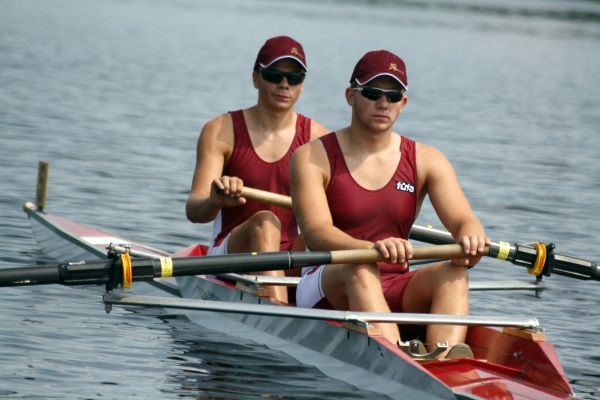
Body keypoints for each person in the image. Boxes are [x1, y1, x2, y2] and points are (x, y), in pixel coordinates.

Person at [290, 49, 489, 358]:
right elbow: (316, 233)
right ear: (351, 96)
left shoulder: (428, 160)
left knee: (454, 273)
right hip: (328, 281)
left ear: (403, 103)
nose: (383, 103)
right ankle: (399, 359)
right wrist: (371, 249)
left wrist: (472, 238)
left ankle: (444, 362)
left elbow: (464, 219)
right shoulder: (311, 157)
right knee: (361, 268)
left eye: (393, 96)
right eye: (373, 93)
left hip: (393, 283)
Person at [186, 36, 328, 304]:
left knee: (329, 236)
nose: (284, 84)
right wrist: (214, 200)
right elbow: (194, 209)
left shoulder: (319, 139)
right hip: (231, 255)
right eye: (274, 75)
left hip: (289, 256)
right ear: (255, 79)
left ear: (301, 84)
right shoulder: (221, 130)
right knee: (265, 223)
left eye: (294, 77)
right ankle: (280, 311)